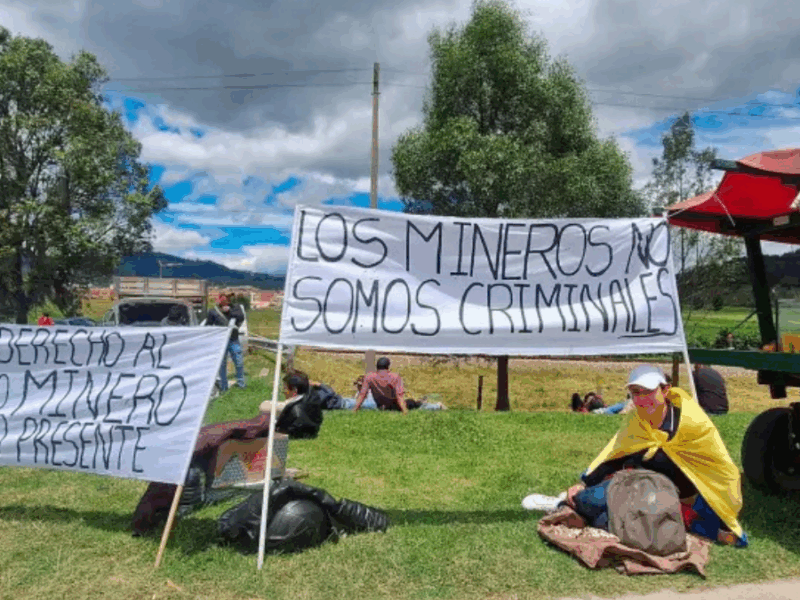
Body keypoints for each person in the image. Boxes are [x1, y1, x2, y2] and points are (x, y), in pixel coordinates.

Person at [564, 364, 747, 547]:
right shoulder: (637, 421)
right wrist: (583, 483)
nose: (642, 399)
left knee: (596, 509)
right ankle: (628, 525)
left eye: (648, 391)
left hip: (680, 501)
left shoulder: (691, 423)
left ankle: (641, 525)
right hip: (643, 488)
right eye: (636, 392)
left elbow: (720, 469)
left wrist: (725, 519)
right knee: (585, 500)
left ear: (665, 390)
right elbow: (616, 456)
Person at [206, 294, 246, 391]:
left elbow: (241, 317)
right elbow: (208, 325)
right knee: (222, 364)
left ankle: (241, 384)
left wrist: (229, 311)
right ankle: (224, 386)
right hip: (220, 341)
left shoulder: (236, 308)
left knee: (239, 361)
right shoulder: (213, 311)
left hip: (233, 339)